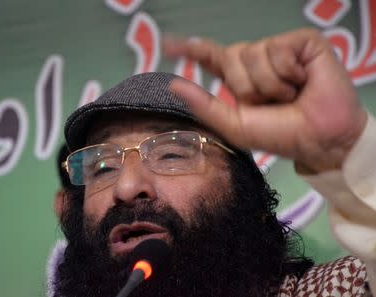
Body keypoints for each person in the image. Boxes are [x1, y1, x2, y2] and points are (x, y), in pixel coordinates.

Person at [49, 28, 376, 296]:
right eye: (103, 166)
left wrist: (347, 150)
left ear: (245, 193)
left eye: (172, 153)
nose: (128, 186)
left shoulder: (342, 288)